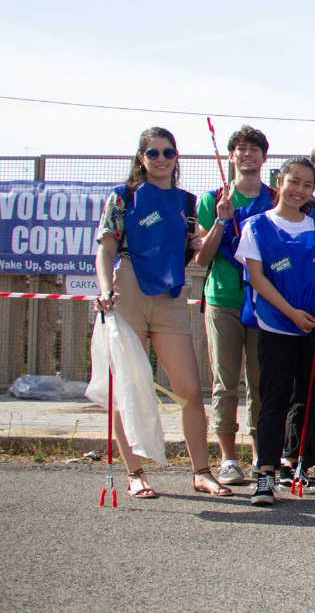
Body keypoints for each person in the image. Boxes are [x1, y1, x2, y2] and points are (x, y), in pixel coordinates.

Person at [95, 126, 229, 499]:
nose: (160, 159)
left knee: (188, 390)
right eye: (152, 153)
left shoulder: (187, 203)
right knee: (128, 388)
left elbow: (198, 253)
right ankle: (135, 473)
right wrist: (106, 289)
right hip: (129, 291)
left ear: (176, 157)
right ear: (141, 158)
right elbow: (106, 249)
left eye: (167, 152)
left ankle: (202, 472)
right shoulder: (123, 197)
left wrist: (211, 227)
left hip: (170, 296)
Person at [235, 156, 315, 506]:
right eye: (294, 181)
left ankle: (296, 466)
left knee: (306, 400)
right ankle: (265, 474)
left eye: (307, 185)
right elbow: (258, 279)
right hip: (277, 326)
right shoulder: (257, 226)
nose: (300, 190)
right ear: (279, 181)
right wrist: (292, 313)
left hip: (314, 330)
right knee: (274, 399)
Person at [194, 124, 273, 485]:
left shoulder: (273, 198)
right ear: (231, 156)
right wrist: (221, 223)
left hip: (262, 302)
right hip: (223, 299)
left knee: (260, 383)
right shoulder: (213, 199)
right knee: (225, 382)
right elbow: (201, 258)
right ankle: (228, 459)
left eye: (254, 149)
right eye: (241, 148)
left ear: (264, 157)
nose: (248, 154)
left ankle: (260, 457)